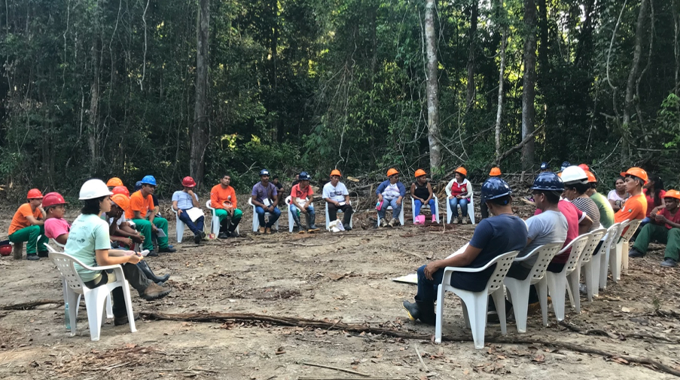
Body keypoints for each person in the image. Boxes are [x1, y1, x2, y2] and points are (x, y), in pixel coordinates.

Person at [402, 177, 528, 325]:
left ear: (488, 203)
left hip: (475, 278)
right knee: (439, 275)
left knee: (424, 272)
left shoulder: (488, 225)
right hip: (495, 277)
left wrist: (438, 263)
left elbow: (465, 259)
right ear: (511, 199)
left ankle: (427, 316)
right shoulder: (522, 225)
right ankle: (418, 307)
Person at [66, 179, 171, 326]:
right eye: (108, 198)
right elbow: (103, 261)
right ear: (99, 202)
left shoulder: (79, 220)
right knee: (122, 269)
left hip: (73, 274)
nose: (110, 201)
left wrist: (125, 255)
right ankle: (144, 290)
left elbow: (100, 251)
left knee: (124, 260)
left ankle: (130, 305)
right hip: (90, 277)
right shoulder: (99, 224)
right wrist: (127, 259)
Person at [489, 172, 568, 319]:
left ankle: (497, 308)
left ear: (542, 197)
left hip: (524, 269)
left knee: (488, 266)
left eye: (535, 194)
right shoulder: (562, 219)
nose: (534, 198)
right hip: (539, 268)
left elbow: (516, 246)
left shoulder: (538, 221)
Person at [106, 194, 169, 284]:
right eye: (119, 210)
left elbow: (120, 227)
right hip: (108, 247)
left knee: (135, 254)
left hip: (110, 244)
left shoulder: (114, 214)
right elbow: (110, 234)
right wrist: (125, 238)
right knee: (130, 256)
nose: (119, 212)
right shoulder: (103, 217)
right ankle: (148, 283)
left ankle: (152, 279)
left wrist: (134, 233)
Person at [629, 190, 680, 267]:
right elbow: (657, 222)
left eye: (670, 202)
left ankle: (671, 258)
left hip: (676, 236)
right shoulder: (665, 210)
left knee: (674, 231)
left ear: (677, 202)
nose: (667, 204)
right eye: (666, 202)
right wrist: (653, 218)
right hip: (667, 233)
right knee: (648, 226)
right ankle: (638, 249)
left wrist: (666, 220)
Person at [127, 175, 175, 255]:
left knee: (163, 221)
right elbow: (136, 215)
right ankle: (148, 248)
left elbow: (153, 211)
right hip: (133, 219)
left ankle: (163, 246)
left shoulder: (150, 196)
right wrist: (150, 223)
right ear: (143, 186)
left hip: (144, 218)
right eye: (150, 186)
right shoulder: (136, 196)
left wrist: (151, 221)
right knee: (147, 224)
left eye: (153, 187)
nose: (152, 189)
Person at [8, 189, 48, 260]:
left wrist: (42, 210)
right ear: (31, 200)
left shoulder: (37, 209)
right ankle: (31, 252)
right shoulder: (25, 207)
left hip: (25, 232)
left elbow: (45, 219)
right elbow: (34, 222)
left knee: (47, 227)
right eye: (38, 199)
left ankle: (42, 250)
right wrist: (43, 222)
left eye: (41, 199)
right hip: (14, 234)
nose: (40, 201)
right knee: (35, 228)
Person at [561, 166, 601, 231]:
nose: (563, 193)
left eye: (565, 189)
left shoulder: (575, 205)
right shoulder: (589, 200)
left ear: (574, 190)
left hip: (583, 240)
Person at [172, 176, 206, 243]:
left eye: (192, 187)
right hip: (182, 210)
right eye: (189, 187)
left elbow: (197, 206)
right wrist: (178, 209)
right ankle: (197, 233)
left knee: (201, 216)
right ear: (185, 186)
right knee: (185, 217)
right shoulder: (177, 193)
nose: (191, 188)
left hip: (191, 209)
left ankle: (197, 234)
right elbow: (174, 205)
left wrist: (192, 196)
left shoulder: (194, 194)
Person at [615, 168, 648, 232]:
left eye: (627, 181)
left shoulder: (637, 201)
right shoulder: (635, 198)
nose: (624, 184)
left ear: (636, 182)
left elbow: (618, 223)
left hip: (615, 235)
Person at [251, 169, 281, 234]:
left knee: (278, 212)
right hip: (259, 204)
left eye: (267, 176)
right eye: (264, 176)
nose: (266, 178)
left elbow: (276, 199)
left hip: (269, 204)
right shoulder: (256, 186)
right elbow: (253, 200)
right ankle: (262, 225)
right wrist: (262, 205)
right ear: (261, 177)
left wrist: (273, 206)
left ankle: (268, 225)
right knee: (261, 212)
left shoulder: (272, 186)